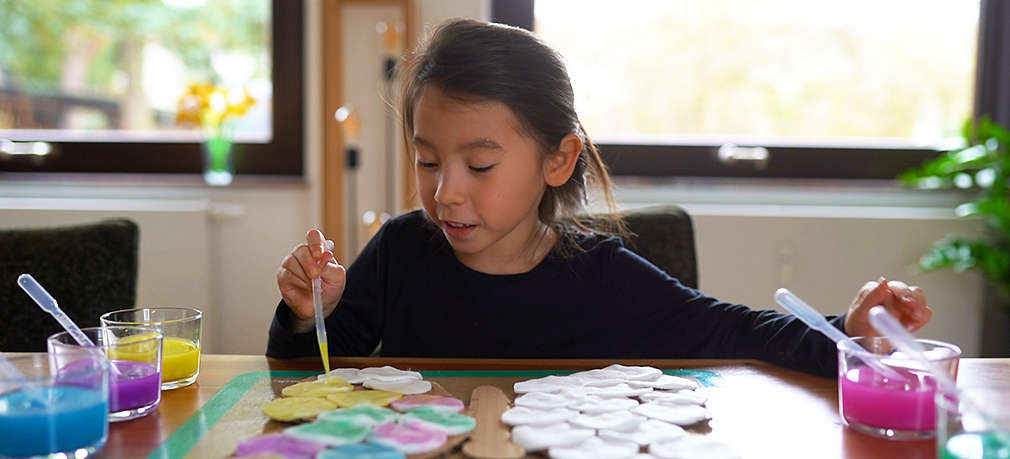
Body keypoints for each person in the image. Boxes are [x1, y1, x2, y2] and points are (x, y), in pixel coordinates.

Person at [266, 18, 931, 377]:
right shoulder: (400, 251)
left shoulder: (603, 277)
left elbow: (738, 331)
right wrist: (307, 314)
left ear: (558, 159)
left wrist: (849, 332)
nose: (446, 192)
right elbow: (304, 372)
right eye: (427, 160)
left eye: (480, 164)